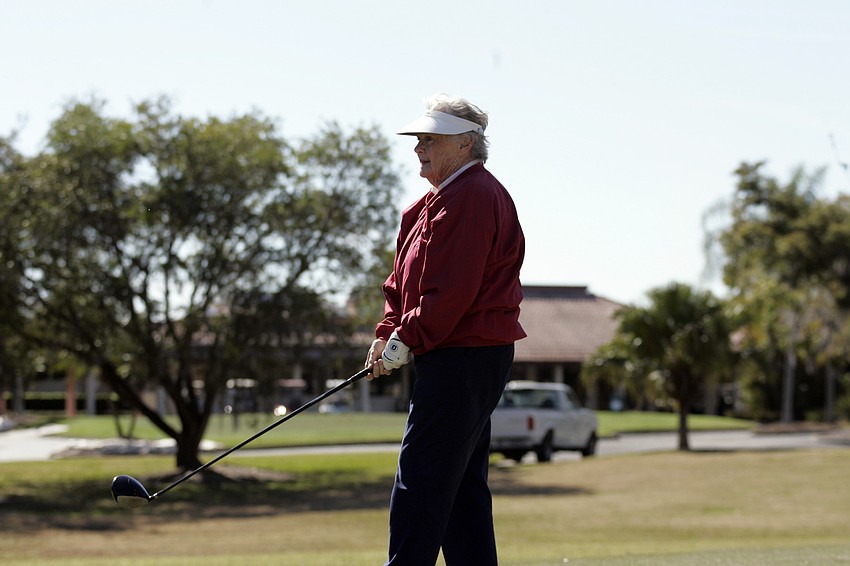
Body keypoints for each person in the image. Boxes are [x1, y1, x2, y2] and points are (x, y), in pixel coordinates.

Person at [365, 93, 526, 566]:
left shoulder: (473, 196)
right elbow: (402, 282)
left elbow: (452, 289)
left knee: (421, 481)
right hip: (451, 353)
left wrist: (408, 337)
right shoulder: (426, 207)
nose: (419, 148)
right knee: (459, 493)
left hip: (466, 356)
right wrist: (387, 331)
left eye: (430, 139)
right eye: (418, 139)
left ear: (467, 143)